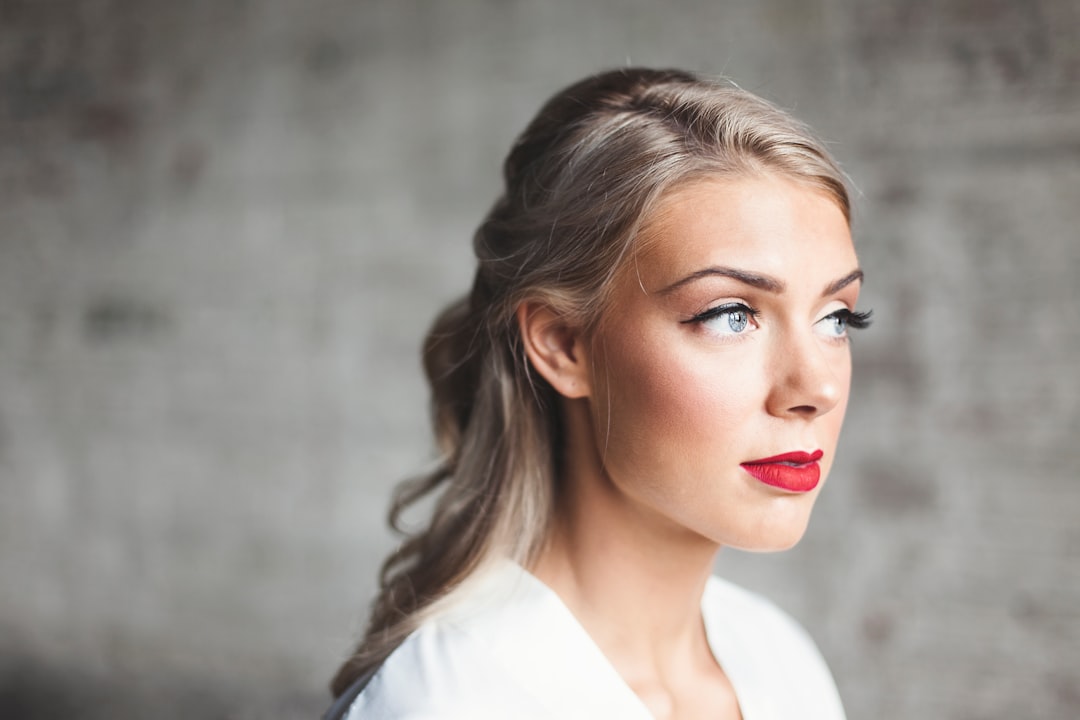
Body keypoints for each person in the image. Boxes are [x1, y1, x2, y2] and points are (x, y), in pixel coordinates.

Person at [327, 67, 870, 720]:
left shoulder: (783, 664)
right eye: (731, 314)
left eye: (835, 318)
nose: (815, 387)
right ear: (562, 345)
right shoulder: (447, 702)